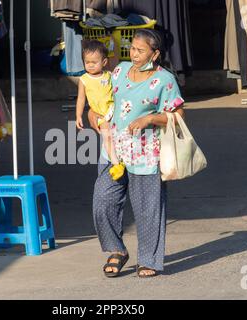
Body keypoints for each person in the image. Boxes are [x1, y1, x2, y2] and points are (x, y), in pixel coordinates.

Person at [88, 29, 186, 278]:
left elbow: (178, 114)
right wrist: (94, 118)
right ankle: (117, 250)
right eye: (132, 48)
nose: (134, 54)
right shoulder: (118, 71)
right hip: (114, 152)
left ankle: (149, 260)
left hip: (146, 154)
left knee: (148, 209)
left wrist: (151, 118)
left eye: (140, 50)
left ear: (155, 53)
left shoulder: (165, 80)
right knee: (102, 201)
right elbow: (99, 104)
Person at [76, 40, 126, 181]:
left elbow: (116, 62)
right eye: (87, 62)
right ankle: (117, 164)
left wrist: (114, 44)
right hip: (100, 114)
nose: (90, 65)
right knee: (107, 137)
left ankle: (119, 159)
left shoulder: (109, 75)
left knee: (117, 136)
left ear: (104, 62)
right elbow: (81, 99)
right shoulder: (84, 79)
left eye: (94, 62)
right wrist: (78, 115)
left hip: (114, 110)